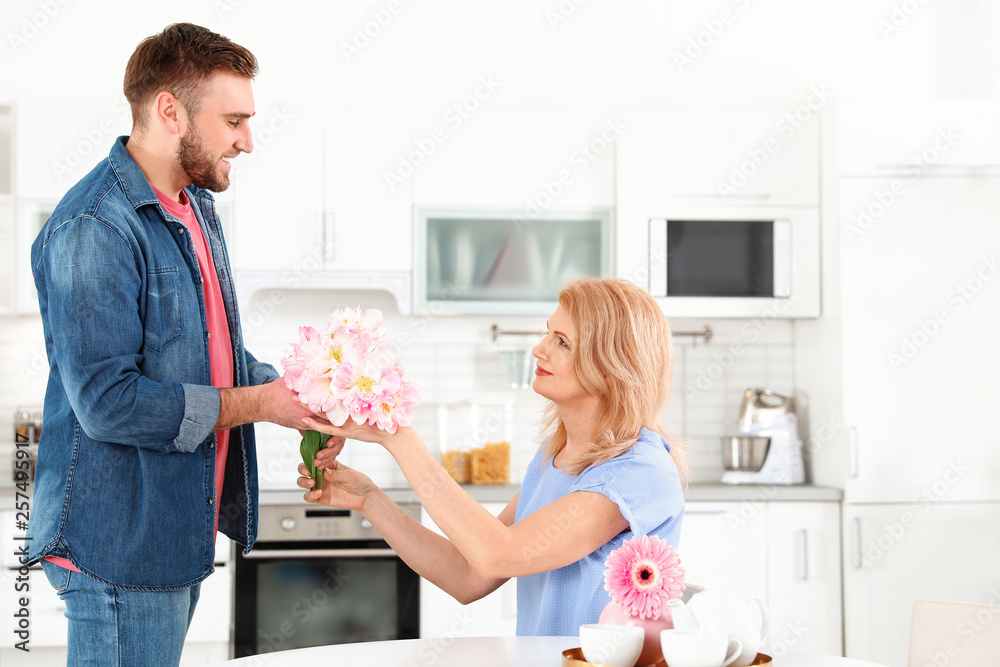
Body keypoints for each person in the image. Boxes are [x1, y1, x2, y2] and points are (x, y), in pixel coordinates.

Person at [25, 23, 315, 665]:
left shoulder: (191, 207)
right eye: (234, 119)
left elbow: (210, 353)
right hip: (119, 545)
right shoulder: (95, 227)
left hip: (171, 533)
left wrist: (299, 392)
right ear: (169, 110)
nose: (247, 139)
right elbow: (109, 402)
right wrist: (260, 405)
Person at [297, 277, 688, 636]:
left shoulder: (638, 471)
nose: (539, 349)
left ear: (609, 371)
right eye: (548, 334)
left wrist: (398, 436)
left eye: (562, 342)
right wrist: (370, 500)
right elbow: (469, 576)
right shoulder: (554, 458)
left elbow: (499, 555)